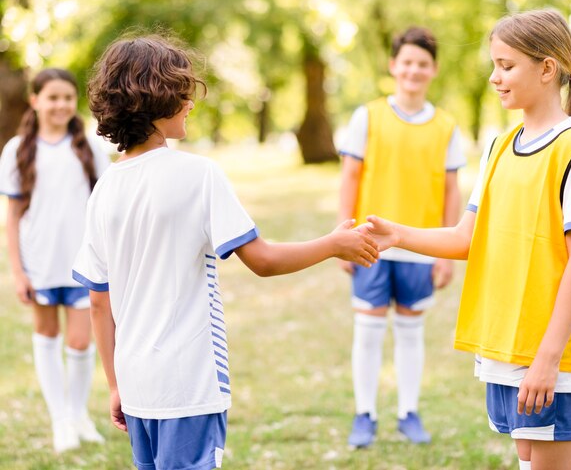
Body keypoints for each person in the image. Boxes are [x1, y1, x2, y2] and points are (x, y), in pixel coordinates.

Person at [71, 34, 379, 470]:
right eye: (183, 92)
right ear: (158, 100)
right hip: (188, 385)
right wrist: (333, 245)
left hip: (136, 386)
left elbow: (98, 301)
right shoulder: (198, 174)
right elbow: (263, 260)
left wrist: (115, 385)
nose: (191, 102)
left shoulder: (105, 188)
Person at [361, 9, 571, 470]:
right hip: (504, 342)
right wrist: (398, 235)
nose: (494, 77)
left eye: (506, 65)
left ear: (547, 68)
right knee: (527, 460)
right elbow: (466, 238)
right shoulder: (499, 146)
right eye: (493, 65)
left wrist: (548, 359)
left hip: (547, 351)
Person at [337, 26, 464, 447]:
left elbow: (451, 191)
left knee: (411, 332)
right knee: (368, 330)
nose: (414, 70)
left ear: (434, 70)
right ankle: (365, 415)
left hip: (420, 247)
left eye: (422, 64)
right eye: (407, 62)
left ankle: (409, 412)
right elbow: (350, 177)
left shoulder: (446, 126)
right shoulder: (367, 116)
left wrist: (446, 253)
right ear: (393, 66)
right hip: (370, 243)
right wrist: (343, 236)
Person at [0, 68, 110, 453]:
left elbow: (104, 208)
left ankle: (78, 414)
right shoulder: (17, 150)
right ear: (35, 100)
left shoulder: (90, 147)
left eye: (67, 97)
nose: (61, 104)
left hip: (82, 263)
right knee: (47, 336)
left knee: (80, 342)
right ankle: (60, 420)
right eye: (52, 97)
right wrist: (18, 272)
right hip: (40, 264)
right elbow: (11, 219)